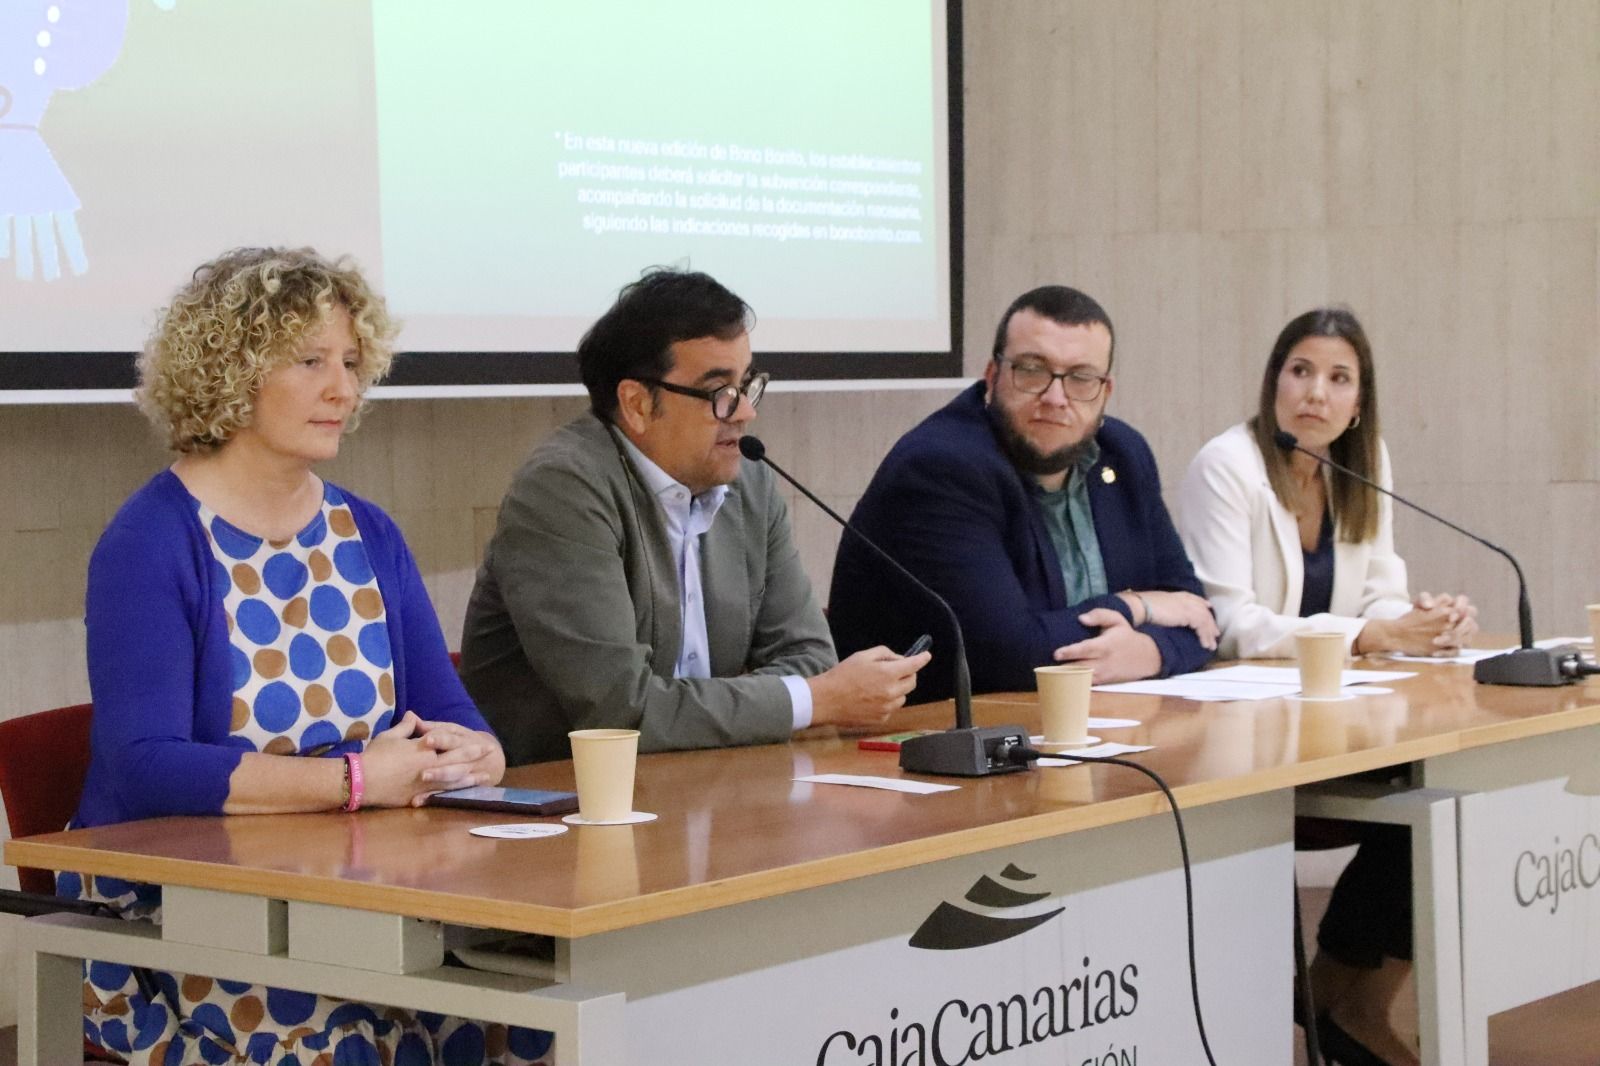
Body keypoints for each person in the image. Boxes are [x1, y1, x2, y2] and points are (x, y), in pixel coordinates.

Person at [68, 247, 548, 1065]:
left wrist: (475, 753)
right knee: (342, 1048)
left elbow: (449, 711)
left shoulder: (369, 531)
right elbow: (145, 765)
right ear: (229, 372)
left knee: (535, 1026)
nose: (344, 389)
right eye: (310, 361)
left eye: (353, 362)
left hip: (365, 888)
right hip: (184, 910)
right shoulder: (151, 541)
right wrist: (358, 782)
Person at [460, 268, 930, 765]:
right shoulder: (564, 488)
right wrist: (811, 701)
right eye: (719, 392)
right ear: (638, 404)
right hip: (567, 801)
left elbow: (810, 657)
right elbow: (621, 711)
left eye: (747, 384)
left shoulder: (748, 479)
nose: (745, 411)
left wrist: (703, 709)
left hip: (712, 779)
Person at [1176, 306, 1479, 1066]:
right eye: (1301, 371)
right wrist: (1373, 635)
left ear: (1357, 400)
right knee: (1419, 791)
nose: (1316, 392)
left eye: (1338, 378)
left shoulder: (1362, 461)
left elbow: (1378, 592)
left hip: (1334, 718)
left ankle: (1346, 992)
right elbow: (1230, 620)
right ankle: (1340, 996)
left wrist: (1420, 618)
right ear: (1274, 381)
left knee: (1447, 778)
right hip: (1244, 730)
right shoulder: (1229, 466)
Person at [827, 284, 1217, 702]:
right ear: (992, 377)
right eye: (1032, 370)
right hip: (933, 741)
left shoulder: (1123, 454)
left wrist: (1151, 651)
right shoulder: (941, 467)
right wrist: (1135, 607)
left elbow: (1197, 614)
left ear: (1105, 392)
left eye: (1081, 378)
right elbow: (1007, 653)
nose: (1055, 398)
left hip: (1091, 724)